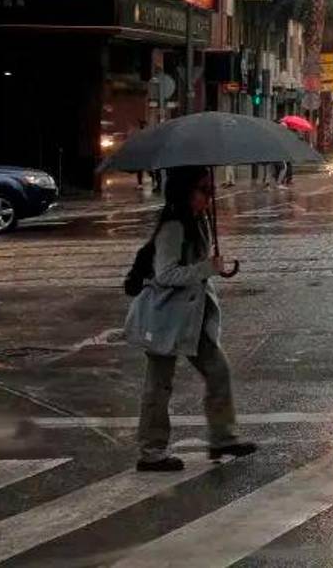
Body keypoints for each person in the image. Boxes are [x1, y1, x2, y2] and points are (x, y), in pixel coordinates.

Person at [124, 167, 257, 471]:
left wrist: (211, 266)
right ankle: (152, 452)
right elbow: (166, 274)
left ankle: (223, 437)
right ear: (185, 191)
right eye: (203, 190)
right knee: (159, 385)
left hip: (191, 317)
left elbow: (197, 266)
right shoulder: (174, 226)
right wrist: (206, 268)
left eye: (211, 190)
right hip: (165, 317)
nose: (209, 197)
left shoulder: (199, 221)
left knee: (218, 371)